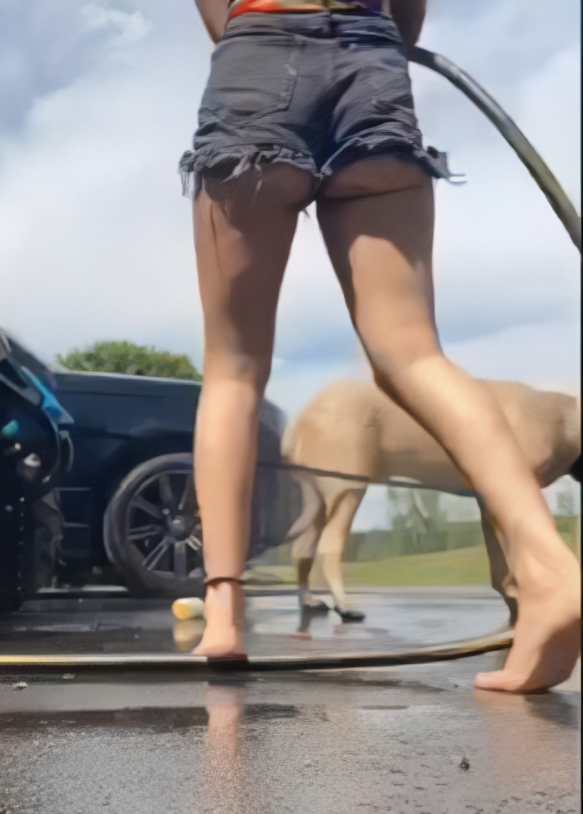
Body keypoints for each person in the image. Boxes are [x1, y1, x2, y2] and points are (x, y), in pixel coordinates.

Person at [182, 0, 581, 692]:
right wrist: (377, 45)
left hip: (256, 53)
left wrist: (257, 36)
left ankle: (223, 614)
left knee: (235, 369)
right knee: (415, 355)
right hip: (373, 60)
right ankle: (549, 566)